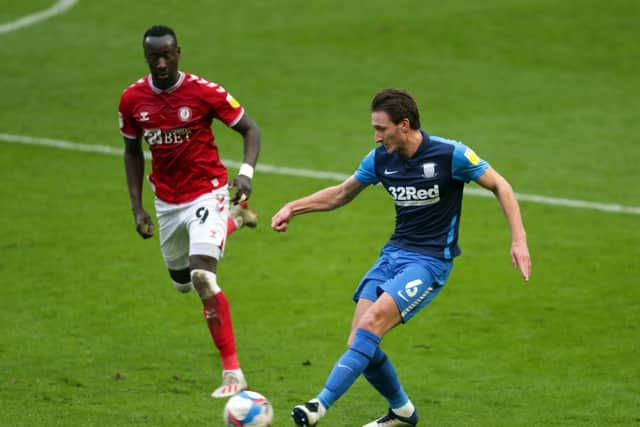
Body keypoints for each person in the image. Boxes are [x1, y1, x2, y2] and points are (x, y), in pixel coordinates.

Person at [271, 88, 531, 427]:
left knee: (370, 325)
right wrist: (294, 207)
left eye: (381, 129)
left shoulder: (450, 154)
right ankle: (402, 412)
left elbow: (500, 185)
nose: (376, 137)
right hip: (393, 254)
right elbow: (340, 194)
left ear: (403, 125)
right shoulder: (380, 159)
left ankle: (318, 406)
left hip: (430, 262)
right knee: (359, 343)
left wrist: (519, 240)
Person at [118, 24, 261, 398]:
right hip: (166, 202)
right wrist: (137, 208)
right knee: (181, 283)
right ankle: (236, 219)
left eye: (168, 55)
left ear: (179, 52)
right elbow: (132, 152)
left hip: (207, 191)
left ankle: (233, 371)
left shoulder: (203, 92)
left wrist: (245, 174)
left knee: (202, 278)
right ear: (146, 57)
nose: (162, 63)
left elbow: (251, 129)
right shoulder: (132, 100)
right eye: (154, 57)